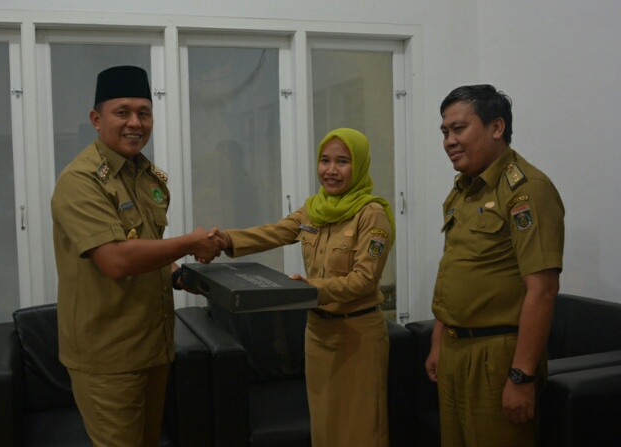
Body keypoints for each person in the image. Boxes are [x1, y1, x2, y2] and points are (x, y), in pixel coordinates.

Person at [50, 65, 223, 447]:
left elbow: (146, 244)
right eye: (122, 112)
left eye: (144, 113)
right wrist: (190, 242)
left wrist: (178, 274)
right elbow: (115, 259)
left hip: (152, 345)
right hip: (108, 355)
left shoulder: (147, 176)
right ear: (96, 119)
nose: (135, 123)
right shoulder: (81, 180)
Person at [208, 127, 396, 447]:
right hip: (318, 334)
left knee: (361, 429)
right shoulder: (313, 209)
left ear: (360, 165)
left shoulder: (372, 214)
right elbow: (276, 232)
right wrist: (227, 240)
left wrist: (311, 289)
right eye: (325, 160)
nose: (331, 170)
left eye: (342, 162)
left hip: (357, 336)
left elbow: (364, 280)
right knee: (323, 428)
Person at [425, 84, 565, 447]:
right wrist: (438, 342)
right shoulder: (463, 190)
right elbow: (453, 267)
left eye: (459, 129)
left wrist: (521, 377)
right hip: (455, 349)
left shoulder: (526, 190)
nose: (449, 141)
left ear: (497, 127)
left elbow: (543, 290)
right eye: (445, 132)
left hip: (497, 355)